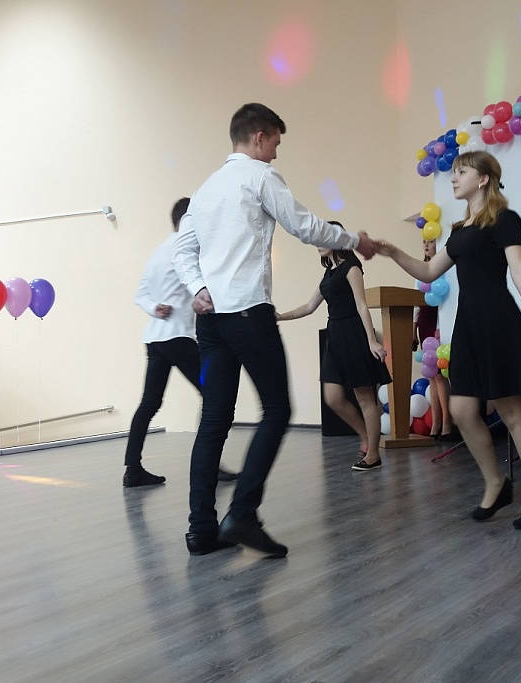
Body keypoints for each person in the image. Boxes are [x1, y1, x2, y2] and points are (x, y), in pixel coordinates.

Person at [173, 103, 377, 557]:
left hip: (211, 320)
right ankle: (242, 515)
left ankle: (200, 530)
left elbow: (182, 251)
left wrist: (198, 288)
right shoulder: (259, 177)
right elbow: (304, 226)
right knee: (278, 409)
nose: (276, 154)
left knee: (213, 421)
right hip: (248, 312)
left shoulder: (204, 190)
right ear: (259, 136)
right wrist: (354, 241)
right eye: (276, 144)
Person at [376, 150, 521, 530]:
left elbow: (519, 269)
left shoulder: (504, 219)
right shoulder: (460, 231)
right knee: (461, 410)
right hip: (468, 327)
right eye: (454, 172)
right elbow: (429, 269)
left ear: (483, 179)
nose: (454, 178)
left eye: (461, 172)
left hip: (498, 322)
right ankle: (496, 482)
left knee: (511, 410)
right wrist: (393, 252)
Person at [122, 198, 239, 488]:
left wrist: (154, 307)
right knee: (214, 395)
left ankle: (132, 469)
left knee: (149, 403)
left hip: (156, 339)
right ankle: (209, 464)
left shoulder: (157, 252)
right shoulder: (188, 249)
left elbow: (140, 294)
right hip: (179, 338)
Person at [276, 235, 391, 471]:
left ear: (336, 240)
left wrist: (371, 341)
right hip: (335, 336)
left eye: (322, 239)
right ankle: (366, 437)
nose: (317, 244)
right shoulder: (329, 274)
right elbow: (309, 307)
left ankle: (373, 455)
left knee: (365, 398)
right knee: (333, 398)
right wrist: (280, 317)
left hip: (353, 334)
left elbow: (361, 305)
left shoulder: (351, 267)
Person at [414, 238, 458, 442]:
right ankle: (436, 422)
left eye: (430, 241)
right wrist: (412, 330)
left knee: (440, 375)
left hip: (439, 323)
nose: (426, 245)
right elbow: (416, 303)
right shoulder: (419, 269)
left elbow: (446, 300)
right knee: (431, 375)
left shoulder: (446, 270)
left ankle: (448, 422)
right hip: (425, 322)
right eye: (423, 241)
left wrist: (442, 326)